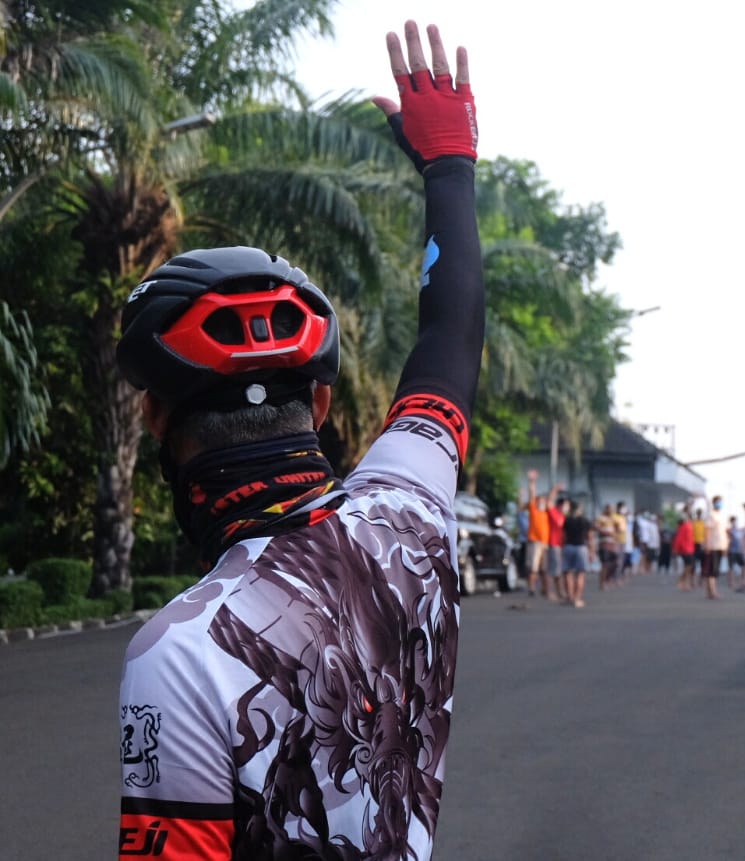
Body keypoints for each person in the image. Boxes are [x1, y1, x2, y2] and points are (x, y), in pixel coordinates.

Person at [116, 20, 480, 859]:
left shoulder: (180, 653)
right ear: (319, 404)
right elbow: (450, 341)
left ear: (155, 419)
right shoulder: (410, 517)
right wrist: (450, 162)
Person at [524, 470, 551, 597]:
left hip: (544, 543)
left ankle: (545, 589)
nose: (542, 503)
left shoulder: (546, 513)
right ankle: (532, 588)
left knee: (544, 568)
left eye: (543, 501)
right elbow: (532, 493)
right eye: (539, 501)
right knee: (533, 567)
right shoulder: (534, 509)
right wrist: (532, 481)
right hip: (535, 542)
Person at [562, 500, 593, 608]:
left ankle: (569, 597)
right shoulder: (585, 521)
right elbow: (590, 537)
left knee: (567, 573)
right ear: (579, 509)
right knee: (580, 573)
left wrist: (563, 547)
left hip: (568, 546)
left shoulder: (567, 520)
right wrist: (592, 551)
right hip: (581, 547)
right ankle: (577, 598)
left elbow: (564, 535)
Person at [702, 495, 729, 599]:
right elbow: (707, 530)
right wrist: (707, 544)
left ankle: (710, 591)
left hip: (720, 545)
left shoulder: (722, 516)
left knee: (716, 569)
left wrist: (726, 545)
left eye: (721, 502)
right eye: (718, 502)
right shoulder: (711, 515)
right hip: (712, 545)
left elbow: (725, 532)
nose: (720, 504)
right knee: (712, 569)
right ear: (714, 503)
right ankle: (712, 591)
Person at [547, 493, 568, 601]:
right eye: (565, 505)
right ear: (560, 505)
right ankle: (549, 592)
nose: (567, 508)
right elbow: (549, 503)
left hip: (560, 545)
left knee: (558, 570)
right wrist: (555, 490)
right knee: (552, 570)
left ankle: (560, 592)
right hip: (553, 543)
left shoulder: (563, 515)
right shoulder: (553, 512)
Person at [672, 510, 696, 591]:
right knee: (688, 566)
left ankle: (685, 583)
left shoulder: (689, 525)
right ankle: (681, 581)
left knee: (689, 567)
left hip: (690, 548)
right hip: (685, 549)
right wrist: (676, 549)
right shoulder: (684, 526)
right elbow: (679, 539)